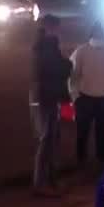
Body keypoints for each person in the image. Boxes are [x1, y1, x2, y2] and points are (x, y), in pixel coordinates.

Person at [29, 14, 72, 196]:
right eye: (57, 28)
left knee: (52, 138)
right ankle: (40, 183)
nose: (59, 32)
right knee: (47, 140)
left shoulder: (43, 45)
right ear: (51, 28)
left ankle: (51, 180)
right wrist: (67, 64)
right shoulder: (47, 46)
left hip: (46, 96)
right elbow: (57, 69)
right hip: (46, 97)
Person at [69, 21, 104, 169]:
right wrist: (76, 96)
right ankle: (81, 160)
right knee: (82, 132)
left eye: (101, 34)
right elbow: (73, 76)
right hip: (84, 98)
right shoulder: (81, 52)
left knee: (103, 132)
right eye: (97, 34)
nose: (99, 37)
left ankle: (101, 159)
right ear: (91, 35)